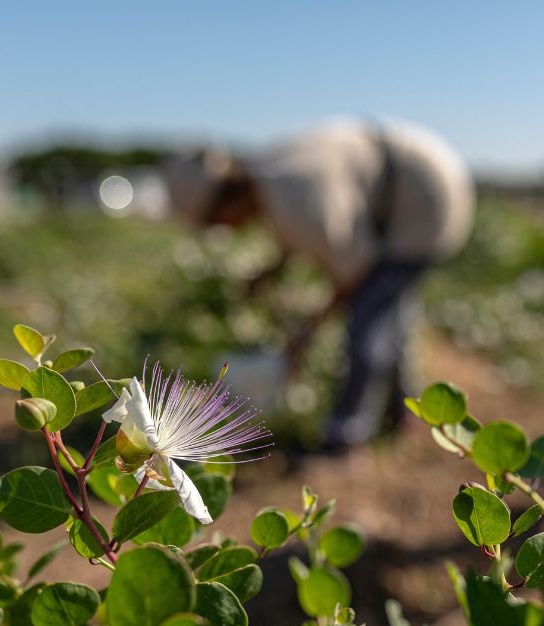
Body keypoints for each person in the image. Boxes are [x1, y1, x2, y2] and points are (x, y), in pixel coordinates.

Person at [163, 118, 475, 452]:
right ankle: (405, 413)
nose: (226, 229)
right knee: (388, 321)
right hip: (407, 186)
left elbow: (354, 274)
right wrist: (271, 272)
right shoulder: (269, 177)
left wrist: (304, 335)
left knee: (367, 327)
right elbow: (300, 233)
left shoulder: (295, 195)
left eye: (215, 222)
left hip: (429, 201)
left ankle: (345, 435)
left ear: (225, 202)